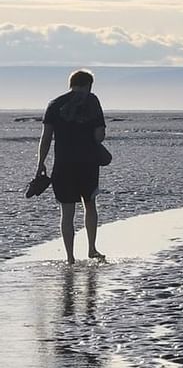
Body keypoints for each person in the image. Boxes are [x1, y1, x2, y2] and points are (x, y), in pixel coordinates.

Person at [36, 69, 107, 264]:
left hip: (63, 164)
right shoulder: (92, 102)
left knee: (67, 212)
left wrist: (40, 163)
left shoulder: (55, 104)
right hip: (88, 164)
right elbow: (98, 136)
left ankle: (69, 257)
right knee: (90, 205)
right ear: (89, 84)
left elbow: (46, 137)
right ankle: (92, 248)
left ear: (71, 83)